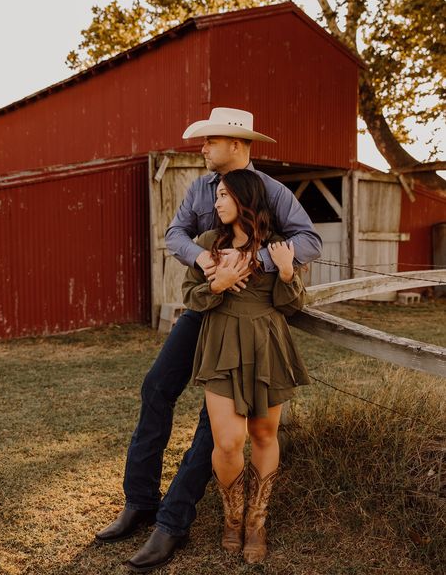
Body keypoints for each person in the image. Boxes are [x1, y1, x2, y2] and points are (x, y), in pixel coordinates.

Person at [95, 108, 322, 573]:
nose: (201, 148)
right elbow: (175, 233)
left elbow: (309, 242)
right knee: (156, 387)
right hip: (205, 307)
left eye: (209, 141)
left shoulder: (272, 192)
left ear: (236, 143)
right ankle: (140, 501)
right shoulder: (200, 188)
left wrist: (251, 261)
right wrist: (205, 259)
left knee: (217, 423)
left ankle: (173, 523)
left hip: (250, 317)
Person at [182, 169, 308, 563]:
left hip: (267, 342)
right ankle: (232, 517)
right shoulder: (207, 245)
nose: (215, 202)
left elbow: (291, 305)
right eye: (216, 195)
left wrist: (286, 272)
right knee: (228, 441)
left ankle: (256, 521)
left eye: (223, 195)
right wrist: (215, 285)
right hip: (221, 342)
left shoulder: (277, 248)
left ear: (245, 198)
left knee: (264, 435)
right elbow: (190, 296)